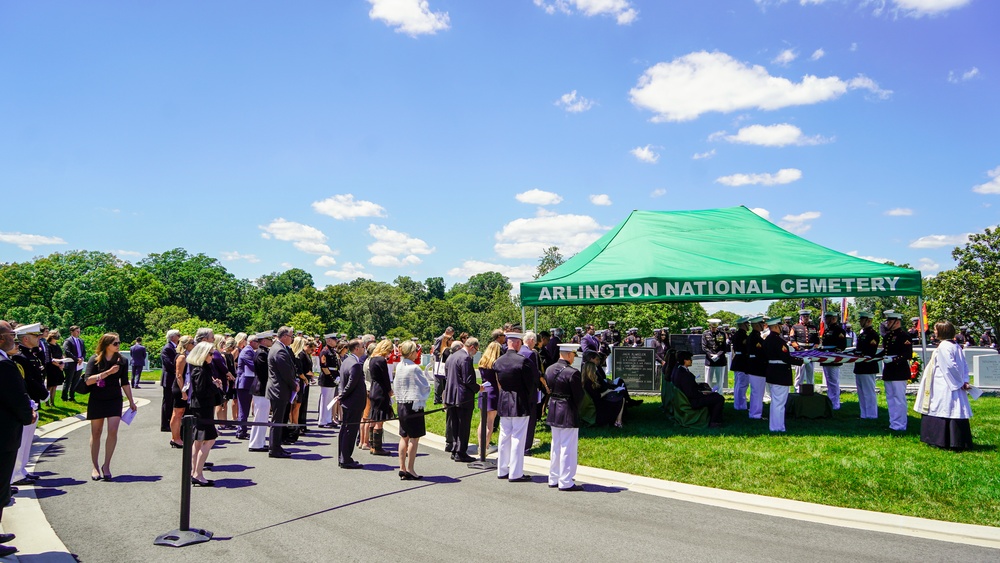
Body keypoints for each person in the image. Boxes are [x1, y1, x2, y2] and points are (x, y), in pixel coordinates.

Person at [1, 320, 35, 558]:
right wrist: (29, 415)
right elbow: (16, 398)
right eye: (11, 333)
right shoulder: (4, 365)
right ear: (2, 338)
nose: (15, 337)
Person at [83, 333, 137, 481]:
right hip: (97, 398)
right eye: (115, 343)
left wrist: (131, 401)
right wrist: (107, 373)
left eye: (119, 343)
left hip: (114, 398)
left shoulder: (122, 360)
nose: (118, 345)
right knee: (96, 432)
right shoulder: (94, 360)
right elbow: (88, 381)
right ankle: (94, 466)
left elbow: (125, 382)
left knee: (113, 431)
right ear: (107, 344)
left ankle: (106, 465)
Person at [916, 321, 973, 450]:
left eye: (936, 330)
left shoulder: (944, 347)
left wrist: (958, 383)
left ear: (942, 331)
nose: (934, 332)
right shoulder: (956, 345)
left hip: (944, 384)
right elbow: (963, 365)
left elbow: (950, 366)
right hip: (953, 382)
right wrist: (964, 380)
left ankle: (941, 439)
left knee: (943, 407)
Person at [495, 332, 534, 482]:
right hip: (519, 401)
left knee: (504, 436)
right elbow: (529, 384)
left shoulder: (498, 361)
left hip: (504, 400)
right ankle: (516, 472)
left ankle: (502, 469)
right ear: (517, 343)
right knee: (518, 437)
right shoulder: (522, 362)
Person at [546, 343, 585, 491]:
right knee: (567, 447)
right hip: (567, 409)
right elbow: (579, 396)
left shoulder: (549, 369)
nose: (574, 357)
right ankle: (566, 481)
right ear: (569, 355)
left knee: (556, 445)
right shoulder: (572, 373)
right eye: (574, 354)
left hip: (554, 408)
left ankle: (553, 477)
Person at [11, 324, 46, 486]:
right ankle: (16, 473)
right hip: (28, 402)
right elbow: (27, 382)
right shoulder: (19, 357)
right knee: (22, 441)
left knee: (27, 440)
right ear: (25, 338)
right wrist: (43, 394)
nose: (38, 338)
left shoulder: (31, 355)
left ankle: (22, 470)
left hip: (34, 402)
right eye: (35, 336)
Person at [185, 342, 222, 486]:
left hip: (201, 408)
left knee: (199, 441)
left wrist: (214, 385)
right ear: (203, 354)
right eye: (210, 353)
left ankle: (194, 472)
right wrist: (215, 387)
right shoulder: (201, 370)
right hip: (203, 408)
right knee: (210, 439)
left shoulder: (202, 369)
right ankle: (197, 473)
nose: (213, 356)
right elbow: (201, 392)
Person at [393, 340, 429, 479]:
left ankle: (402, 467)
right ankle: (410, 468)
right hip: (413, 404)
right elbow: (425, 385)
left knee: (404, 437)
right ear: (412, 353)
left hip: (401, 403)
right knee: (414, 438)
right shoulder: (414, 368)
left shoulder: (400, 366)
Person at [763, 317, 803, 433]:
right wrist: (800, 361)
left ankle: (776, 426)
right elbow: (785, 358)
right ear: (775, 327)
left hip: (772, 372)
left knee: (776, 401)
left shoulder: (767, 340)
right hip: (780, 373)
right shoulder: (779, 341)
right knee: (779, 402)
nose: (782, 328)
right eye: (780, 326)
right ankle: (777, 427)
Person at [444, 337, 479, 463]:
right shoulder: (465, 358)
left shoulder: (453, 356)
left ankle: (455, 449)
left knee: (455, 425)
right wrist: (478, 388)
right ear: (471, 347)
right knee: (463, 426)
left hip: (451, 396)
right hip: (463, 397)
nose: (476, 352)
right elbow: (468, 380)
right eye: (476, 349)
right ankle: (461, 452)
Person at [267, 326, 299, 459]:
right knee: (278, 420)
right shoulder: (279, 350)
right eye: (291, 336)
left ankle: (277, 446)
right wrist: (294, 385)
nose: (292, 338)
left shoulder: (279, 348)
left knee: (280, 420)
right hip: (279, 390)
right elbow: (285, 372)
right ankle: (274, 449)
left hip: (279, 389)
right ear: (284, 336)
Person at [672, 351, 725, 427]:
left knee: (715, 396)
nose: (691, 361)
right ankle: (714, 421)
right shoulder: (684, 375)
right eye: (690, 359)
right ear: (685, 360)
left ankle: (713, 418)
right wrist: (703, 394)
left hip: (691, 397)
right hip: (692, 401)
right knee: (719, 398)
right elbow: (690, 393)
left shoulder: (679, 370)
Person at [337, 339, 366, 469]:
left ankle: (343, 457)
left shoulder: (346, 361)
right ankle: (346, 459)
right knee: (350, 431)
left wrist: (341, 396)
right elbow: (350, 384)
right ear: (356, 349)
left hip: (348, 402)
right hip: (353, 402)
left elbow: (342, 383)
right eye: (362, 346)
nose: (364, 348)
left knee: (345, 430)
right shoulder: (355, 364)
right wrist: (342, 396)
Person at [882, 312, 913, 431]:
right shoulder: (888, 336)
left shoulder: (904, 336)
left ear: (897, 322)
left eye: (890, 321)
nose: (887, 323)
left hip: (899, 371)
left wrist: (894, 359)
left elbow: (907, 354)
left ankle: (900, 425)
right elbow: (885, 351)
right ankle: (893, 423)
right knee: (890, 398)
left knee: (899, 399)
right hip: (889, 370)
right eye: (888, 321)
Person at [365, 339, 394, 456]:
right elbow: (385, 378)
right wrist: (389, 390)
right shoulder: (381, 360)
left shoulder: (372, 358)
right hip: (381, 391)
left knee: (373, 417)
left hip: (373, 388)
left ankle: (372, 445)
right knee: (379, 420)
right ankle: (378, 447)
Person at [581, 352, 625, 427]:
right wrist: (607, 391)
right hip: (598, 404)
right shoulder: (589, 383)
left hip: (598, 401)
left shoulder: (586, 381)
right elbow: (597, 396)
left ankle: (618, 421)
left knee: (620, 396)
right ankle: (618, 421)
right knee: (621, 399)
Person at [248, 331, 274, 453]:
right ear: (263, 340)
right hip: (261, 388)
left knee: (263, 417)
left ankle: (260, 442)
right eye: (269, 339)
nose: (271, 341)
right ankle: (256, 443)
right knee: (260, 417)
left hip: (262, 388)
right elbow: (265, 374)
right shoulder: (262, 354)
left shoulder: (264, 352)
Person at [520, 331, 545, 455]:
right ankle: (526, 447)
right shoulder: (530, 354)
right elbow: (535, 373)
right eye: (534, 341)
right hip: (530, 391)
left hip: (519, 391)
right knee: (531, 419)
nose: (535, 344)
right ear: (530, 340)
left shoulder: (518, 351)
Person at [475, 341, 502, 455]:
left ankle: (480, 446)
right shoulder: (496, 363)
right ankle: (484, 448)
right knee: (490, 422)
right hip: (493, 393)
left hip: (484, 391)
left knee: (482, 421)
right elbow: (498, 382)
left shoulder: (482, 362)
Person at [820, 312, 848, 410]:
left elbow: (841, 346)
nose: (826, 320)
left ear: (833, 319)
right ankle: (830, 400)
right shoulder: (827, 330)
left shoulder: (839, 330)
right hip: (826, 357)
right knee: (829, 381)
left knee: (833, 381)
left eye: (827, 318)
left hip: (833, 358)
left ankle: (835, 403)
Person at [234, 334, 258, 440]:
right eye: (257, 341)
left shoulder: (249, 350)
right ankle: (241, 431)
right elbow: (253, 366)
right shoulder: (248, 351)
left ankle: (242, 429)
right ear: (251, 342)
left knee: (245, 408)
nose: (258, 343)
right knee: (243, 408)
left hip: (247, 383)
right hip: (244, 384)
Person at [789, 309, 819, 392]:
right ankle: (797, 390)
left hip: (811, 352)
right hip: (800, 352)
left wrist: (814, 348)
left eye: (807, 316)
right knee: (799, 373)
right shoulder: (795, 327)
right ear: (801, 317)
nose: (806, 318)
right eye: (804, 316)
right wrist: (799, 349)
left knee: (810, 373)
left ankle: (810, 390)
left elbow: (817, 340)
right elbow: (792, 340)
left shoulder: (813, 327)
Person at [744, 316, 768, 420]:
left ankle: (755, 413)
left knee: (757, 392)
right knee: (757, 392)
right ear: (756, 325)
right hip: (757, 367)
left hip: (754, 367)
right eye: (762, 324)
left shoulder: (755, 336)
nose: (764, 326)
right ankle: (755, 414)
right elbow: (761, 353)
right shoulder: (755, 337)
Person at [318, 334, 341, 428]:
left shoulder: (332, 350)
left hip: (333, 378)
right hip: (327, 379)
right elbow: (324, 366)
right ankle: (322, 420)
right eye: (334, 340)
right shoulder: (325, 351)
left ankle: (328, 419)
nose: (336, 342)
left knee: (330, 400)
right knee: (325, 400)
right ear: (328, 341)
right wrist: (332, 378)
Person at [160, 329, 180, 433]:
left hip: (173, 378)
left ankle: (171, 422)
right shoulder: (167, 348)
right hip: (169, 379)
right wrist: (178, 370)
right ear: (172, 337)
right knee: (167, 402)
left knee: (172, 401)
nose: (179, 336)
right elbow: (168, 364)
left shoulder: (176, 347)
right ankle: (165, 424)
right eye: (178, 335)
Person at [702, 319, 729, 392]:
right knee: (708, 380)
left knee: (719, 381)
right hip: (709, 361)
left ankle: (719, 395)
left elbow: (724, 347)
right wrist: (711, 355)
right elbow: (704, 347)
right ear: (710, 326)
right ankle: (707, 395)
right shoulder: (705, 334)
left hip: (720, 361)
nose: (714, 329)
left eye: (715, 327)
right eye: (712, 327)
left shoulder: (722, 334)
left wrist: (717, 355)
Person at [729, 318, 751, 411]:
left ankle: (738, 404)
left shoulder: (738, 334)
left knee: (738, 384)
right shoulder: (742, 335)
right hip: (742, 361)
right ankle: (741, 405)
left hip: (738, 360)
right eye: (747, 324)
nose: (749, 326)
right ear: (743, 325)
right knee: (742, 384)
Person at [61, 325, 86, 402]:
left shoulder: (81, 341)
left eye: (79, 331)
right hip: (71, 364)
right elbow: (67, 351)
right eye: (77, 331)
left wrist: (82, 358)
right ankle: (64, 397)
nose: (78, 332)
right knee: (68, 381)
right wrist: (76, 359)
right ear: (72, 332)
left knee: (75, 381)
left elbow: (84, 351)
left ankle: (72, 396)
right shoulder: (68, 341)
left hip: (79, 364)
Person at [44, 330, 65, 407]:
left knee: (55, 385)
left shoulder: (57, 346)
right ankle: (47, 401)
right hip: (51, 367)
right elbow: (50, 358)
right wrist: (58, 365)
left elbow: (61, 355)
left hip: (58, 368)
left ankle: (53, 402)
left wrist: (62, 363)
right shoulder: (48, 346)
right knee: (50, 385)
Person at [433, 332, 454, 405]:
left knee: (443, 386)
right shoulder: (447, 350)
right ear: (447, 341)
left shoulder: (444, 349)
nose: (453, 341)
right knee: (443, 386)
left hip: (444, 369)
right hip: (445, 369)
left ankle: (442, 400)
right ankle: (442, 401)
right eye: (451, 340)